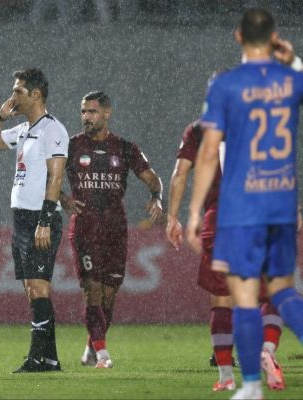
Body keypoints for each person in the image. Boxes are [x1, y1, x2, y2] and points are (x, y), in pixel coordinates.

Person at [186, 9, 303, 400]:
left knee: (242, 296)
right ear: (273, 38)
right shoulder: (288, 82)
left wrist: (191, 212)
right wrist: (292, 59)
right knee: (283, 292)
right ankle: (264, 362)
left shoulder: (226, 86)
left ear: (238, 37)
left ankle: (250, 384)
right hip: (280, 202)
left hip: (240, 208)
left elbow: (206, 156)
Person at [167, 120, 286, 391]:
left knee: (223, 299)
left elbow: (180, 173)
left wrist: (172, 217)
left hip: (219, 220)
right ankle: (266, 349)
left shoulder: (197, 129)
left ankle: (226, 377)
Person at [60, 91, 163, 369]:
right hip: (84, 228)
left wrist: (157, 197)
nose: (86, 117)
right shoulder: (71, 146)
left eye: (92, 112)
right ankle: (103, 354)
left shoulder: (125, 148)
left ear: (107, 113)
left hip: (116, 229)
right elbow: (48, 176)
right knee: (92, 288)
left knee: (108, 293)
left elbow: (153, 179)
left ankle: (92, 345)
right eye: (83, 112)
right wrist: (63, 199)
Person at [0, 67, 68, 373]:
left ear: (36, 94)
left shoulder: (53, 130)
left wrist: (45, 220)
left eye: (18, 91)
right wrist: (2, 116)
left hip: (40, 219)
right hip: (20, 219)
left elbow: (56, 178)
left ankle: (37, 358)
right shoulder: (23, 130)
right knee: (32, 289)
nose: (13, 95)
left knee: (39, 288)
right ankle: (51, 358)